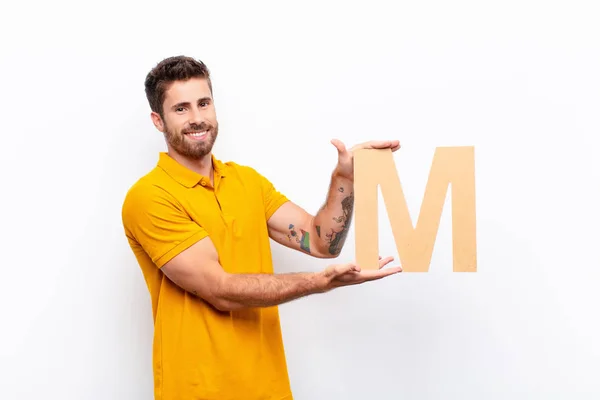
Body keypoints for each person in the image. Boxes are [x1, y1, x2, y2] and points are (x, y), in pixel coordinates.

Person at [121, 55, 402, 400]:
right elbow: (219, 289)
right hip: (198, 391)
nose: (197, 118)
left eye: (204, 103)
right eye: (181, 109)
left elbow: (320, 241)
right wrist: (319, 282)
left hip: (268, 388)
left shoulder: (246, 182)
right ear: (158, 120)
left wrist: (345, 178)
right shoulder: (150, 197)